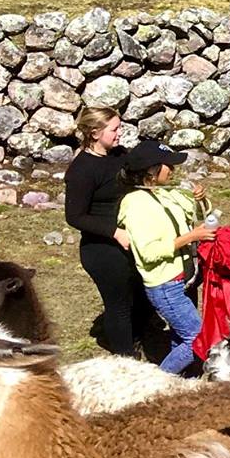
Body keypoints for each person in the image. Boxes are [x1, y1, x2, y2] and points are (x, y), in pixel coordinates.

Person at [117, 142, 215, 374]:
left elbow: (197, 213)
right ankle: (160, 381)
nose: (172, 169)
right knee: (198, 339)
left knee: (181, 335)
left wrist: (201, 200)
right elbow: (149, 252)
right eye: (167, 165)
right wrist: (191, 237)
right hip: (166, 285)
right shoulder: (135, 204)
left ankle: (184, 380)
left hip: (184, 279)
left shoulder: (166, 193)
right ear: (152, 171)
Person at [64, 106, 141, 354]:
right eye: (114, 129)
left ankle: (136, 338)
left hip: (129, 239)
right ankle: (124, 358)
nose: (120, 133)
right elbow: (75, 216)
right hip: (102, 248)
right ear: (95, 133)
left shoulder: (120, 155)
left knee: (139, 296)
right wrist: (114, 232)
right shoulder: (82, 170)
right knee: (119, 305)